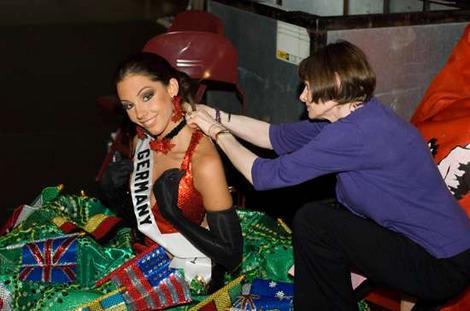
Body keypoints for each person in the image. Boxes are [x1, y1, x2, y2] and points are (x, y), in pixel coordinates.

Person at [185, 40, 470, 310]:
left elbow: (262, 175)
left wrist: (215, 132)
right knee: (323, 216)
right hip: (438, 249)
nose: (302, 96)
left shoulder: (354, 134)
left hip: (440, 263)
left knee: (316, 222)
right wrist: (212, 113)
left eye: (308, 87)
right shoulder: (358, 116)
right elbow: (273, 137)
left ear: (333, 86)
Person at [103, 52, 243, 291]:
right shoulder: (142, 141)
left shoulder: (202, 161)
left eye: (147, 96)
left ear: (172, 88)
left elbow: (231, 255)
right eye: (129, 105)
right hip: (142, 262)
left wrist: (174, 215)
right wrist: (110, 191)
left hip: (191, 279)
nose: (140, 114)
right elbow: (140, 221)